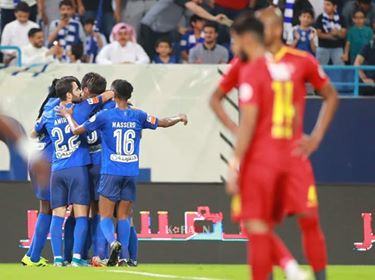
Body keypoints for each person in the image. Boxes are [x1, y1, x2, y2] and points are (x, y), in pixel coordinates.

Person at [211, 8, 339, 280]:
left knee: (297, 220)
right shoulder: (247, 63)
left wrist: (315, 137)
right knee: (258, 224)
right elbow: (218, 99)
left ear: (278, 29)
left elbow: (330, 95)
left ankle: (311, 273)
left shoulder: (297, 60)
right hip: (266, 153)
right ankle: (289, 268)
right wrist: (236, 130)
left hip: (282, 155)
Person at [59, 79, 188, 266]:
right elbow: (163, 122)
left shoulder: (105, 115)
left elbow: (77, 130)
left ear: (115, 94)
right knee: (125, 216)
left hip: (111, 171)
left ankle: (113, 243)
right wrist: (179, 117)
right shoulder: (139, 115)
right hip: (131, 172)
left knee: (104, 216)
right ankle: (126, 257)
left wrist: (68, 115)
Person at [34, 76, 114, 266]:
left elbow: (35, 131)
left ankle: (58, 259)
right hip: (77, 169)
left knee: (57, 215)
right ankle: (78, 258)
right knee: (81, 215)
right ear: (69, 94)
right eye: (77, 89)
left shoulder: (48, 114)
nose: (80, 92)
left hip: (57, 170)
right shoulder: (82, 108)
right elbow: (107, 95)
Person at [20, 80, 60, 267]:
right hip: (47, 161)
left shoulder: (47, 104)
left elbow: (32, 133)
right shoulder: (58, 106)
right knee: (48, 209)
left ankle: (31, 255)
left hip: (37, 158)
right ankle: (33, 256)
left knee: (47, 208)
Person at [139, 0, 231, 58]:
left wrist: (177, 27)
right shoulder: (186, 2)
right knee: (149, 58)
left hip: (165, 31)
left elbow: (167, 15)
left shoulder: (183, 5)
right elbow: (195, 8)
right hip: (148, 29)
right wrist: (213, 18)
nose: (199, 2)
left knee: (168, 57)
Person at [315, 0, 347, 65]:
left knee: (339, 69)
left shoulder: (341, 18)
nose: (325, 7)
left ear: (335, 7)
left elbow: (343, 34)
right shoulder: (320, 17)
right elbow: (319, 34)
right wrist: (333, 36)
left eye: (328, 5)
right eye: (324, 4)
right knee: (320, 68)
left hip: (337, 47)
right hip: (323, 47)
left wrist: (337, 33)